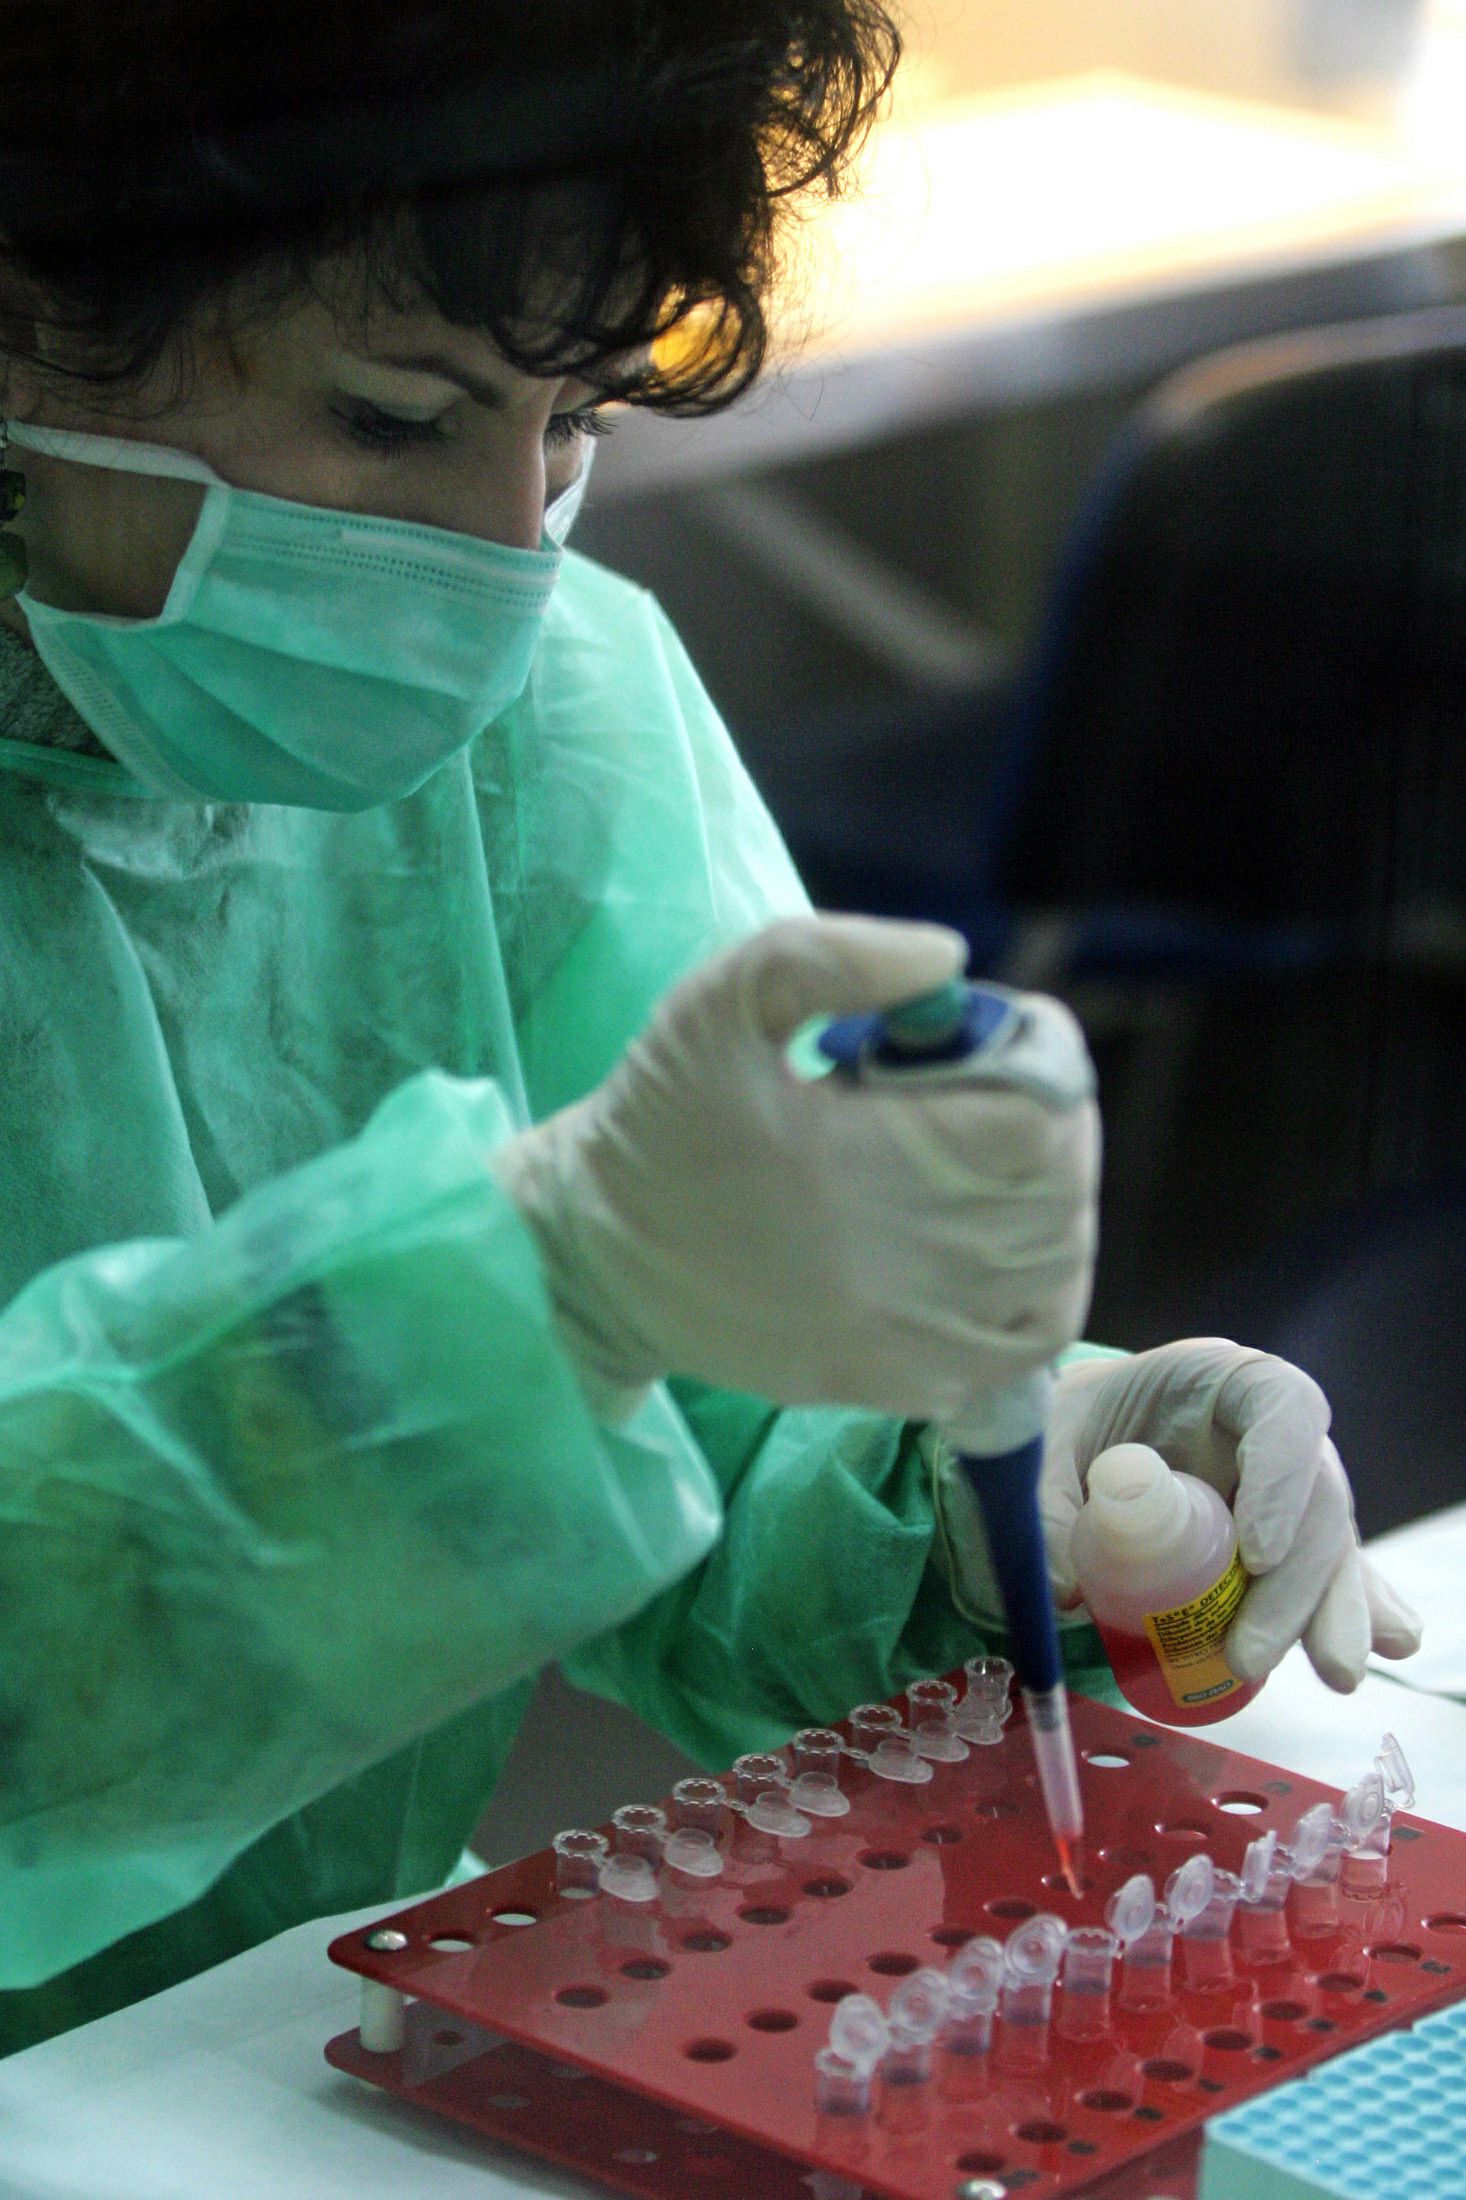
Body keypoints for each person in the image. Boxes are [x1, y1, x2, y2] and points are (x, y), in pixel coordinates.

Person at [0, 0, 1419, 2054]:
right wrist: (534, 1290)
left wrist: (972, 1486)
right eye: (397, 419)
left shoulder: (541, 709)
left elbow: (701, 1433)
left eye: (568, 425)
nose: (505, 559)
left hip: (231, 2056)